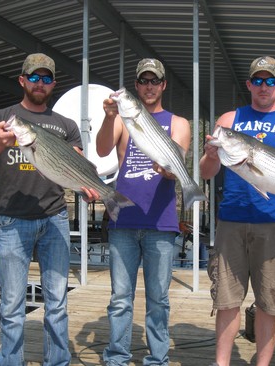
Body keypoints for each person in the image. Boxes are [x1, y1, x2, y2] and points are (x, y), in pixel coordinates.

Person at [0, 53, 97, 366]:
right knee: (11, 304)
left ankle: (58, 361)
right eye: (34, 77)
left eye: (46, 78)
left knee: (57, 302)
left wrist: (88, 187)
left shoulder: (66, 126)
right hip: (13, 221)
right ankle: (11, 361)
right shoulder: (1, 119)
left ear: (53, 84)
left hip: (55, 219)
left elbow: (77, 167)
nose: (40, 83)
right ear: (22, 79)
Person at [199, 56, 275, 366]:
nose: (263, 86)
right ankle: (221, 363)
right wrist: (212, 154)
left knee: (270, 301)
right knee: (227, 299)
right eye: (258, 80)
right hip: (231, 222)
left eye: (270, 81)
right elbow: (205, 172)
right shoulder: (228, 121)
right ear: (249, 84)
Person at [94, 58, 191, 366]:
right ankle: (117, 358)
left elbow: (178, 161)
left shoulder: (179, 123)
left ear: (163, 85)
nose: (149, 86)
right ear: (136, 86)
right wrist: (109, 118)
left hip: (161, 223)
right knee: (120, 298)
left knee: (159, 300)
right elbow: (101, 149)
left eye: (155, 81)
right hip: (123, 221)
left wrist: (171, 172)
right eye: (144, 81)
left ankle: (158, 359)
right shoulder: (124, 117)